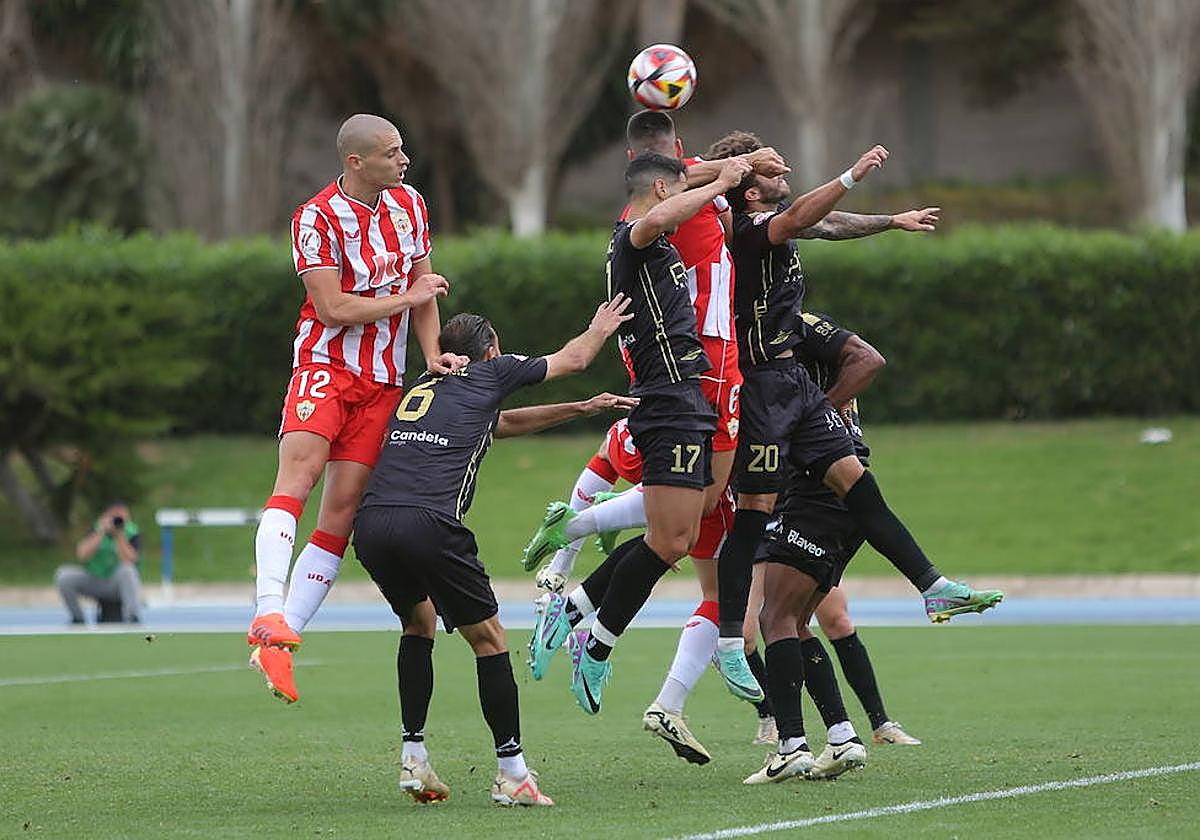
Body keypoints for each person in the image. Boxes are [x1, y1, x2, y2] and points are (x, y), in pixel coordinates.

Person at [702, 130, 1002, 677]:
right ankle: (727, 644)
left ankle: (932, 586)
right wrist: (851, 175)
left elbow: (827, 222)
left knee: (859, 486)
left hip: (794, 383)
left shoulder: (778, 218)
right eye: (770, 171)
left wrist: (891, 221)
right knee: (752, 517)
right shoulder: (744, 230)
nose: (783, 172)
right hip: (761, 389)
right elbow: (800, 218)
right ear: (749, 192)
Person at [351, 299, 634, 807]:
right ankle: (512, 773)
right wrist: (599, 327)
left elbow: (498, 424)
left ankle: (413, 756)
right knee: (490, 641)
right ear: (490, 351)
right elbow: (573, 359)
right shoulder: (491, 371)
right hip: (429, 524)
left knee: (418, 624)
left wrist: (581, 408)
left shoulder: (425, 385)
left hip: (372, 524)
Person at [247, 114, 466, 703]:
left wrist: (432, 355)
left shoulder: (410, 205)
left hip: (384, 382)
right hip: (325, 366)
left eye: (402, 150)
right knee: (299, 476)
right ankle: (267, 609)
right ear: (356, 161)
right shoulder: (315, 217)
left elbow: (424, 291)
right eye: (392, 153)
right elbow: (333, 309)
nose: (404, 161)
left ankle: (279, 643)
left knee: (342, 511)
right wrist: (408, 296)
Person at [55, 502, 142, 624]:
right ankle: (78, 618)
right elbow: (82, 555)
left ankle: (132, 617)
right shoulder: (96, 529)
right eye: (114, 517)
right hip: (94, 579)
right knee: (64, 575)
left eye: (121, 518)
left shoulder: (132, 532)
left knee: (127, 570)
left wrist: (119, 536)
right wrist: (101, 532)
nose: (116, 521)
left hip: (117, 583)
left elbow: (130, 560)